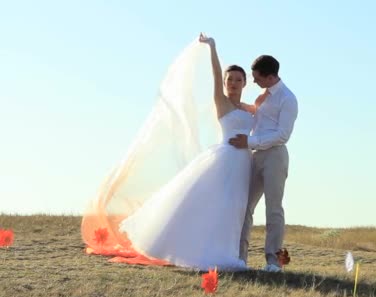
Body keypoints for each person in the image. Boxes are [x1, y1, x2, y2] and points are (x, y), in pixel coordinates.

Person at [82, 34, 255, 271]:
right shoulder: (221, 102)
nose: (233, 83)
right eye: (230, 79)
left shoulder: (250, 109)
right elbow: (215, 74)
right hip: (223, 161)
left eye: (238, 79)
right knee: (216, 205)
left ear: (245, 83)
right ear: (225, 83)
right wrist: (212, 48)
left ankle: (230, 252)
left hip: (243, 164)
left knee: (235, 208)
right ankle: (206, 253)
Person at [230, 55, 298, 272]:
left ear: (270, 77)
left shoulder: (287, 99)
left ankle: (273, 262)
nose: (254, 81)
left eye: (257, 77)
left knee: (273, 209)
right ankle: (240, 257)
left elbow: (282, 134)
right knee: (245, 206)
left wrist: (249, 141)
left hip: (275, 156)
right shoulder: (264, 96)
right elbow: (259, 116)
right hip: (255, 156)